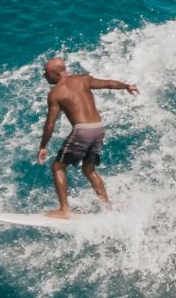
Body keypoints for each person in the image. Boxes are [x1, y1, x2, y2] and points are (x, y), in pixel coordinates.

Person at [36, 57, 139, 218]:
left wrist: (43, 146)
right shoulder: (83, 79)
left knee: (58, 167)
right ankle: (107, 207)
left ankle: (64, 210)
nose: (44, 75)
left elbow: (50, 124)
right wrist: (126, 86)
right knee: (89, 169)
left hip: (83, 131)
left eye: (46, 72)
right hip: (98, 129)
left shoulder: (55, 93)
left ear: (56, 74)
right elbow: (108, 84)